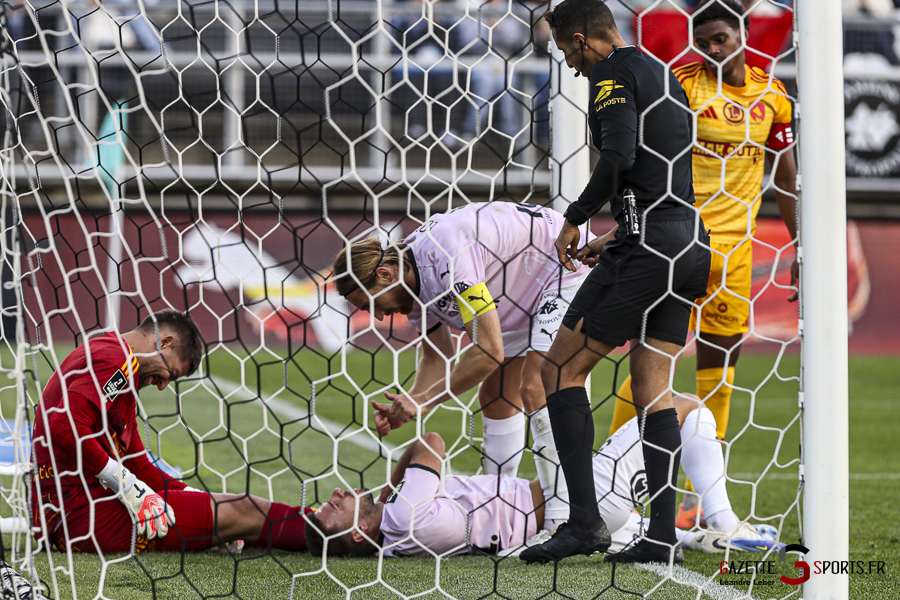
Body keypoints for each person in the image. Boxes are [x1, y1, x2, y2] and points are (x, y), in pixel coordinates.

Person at [521, 0, 711, 565]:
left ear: (582, 40)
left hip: (648, 248)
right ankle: (658, 536)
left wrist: (576, 216)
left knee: (558, 368)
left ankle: (583, 522)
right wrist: (617, 233)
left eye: (564, 50)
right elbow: (661, 167)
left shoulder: (610, 74)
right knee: (652, 386)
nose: (569, 64)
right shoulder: (661, 71)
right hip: (687, 241)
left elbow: (620, 154)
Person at [607, 0, 798, 530]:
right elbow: (645, 159)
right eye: (705, 41)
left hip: (738, 254)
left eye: (722, 39)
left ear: (742, 35)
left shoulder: (773, 96)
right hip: (682, 244)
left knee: (721, 365)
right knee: (653, 360)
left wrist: (799, 247)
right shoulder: (681, 87)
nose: (714, 50)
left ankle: (700, 495)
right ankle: (613, 467)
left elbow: (786, 177)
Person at [331, 201, 609, 547]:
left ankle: (560, 521)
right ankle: (501, 508)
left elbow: (489, 352)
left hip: (564, 266)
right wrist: (411, 402)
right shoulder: (412, 286)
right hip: (523, 293)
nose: (378, 317)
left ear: (385, 275)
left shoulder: (447, 254)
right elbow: (438, 356)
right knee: (495, 398)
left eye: (371, 304)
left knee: (538, 384)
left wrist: (425, 401)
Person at [304, 396, 780, 558]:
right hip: (579, 502)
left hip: (565, 518)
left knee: (654, 535)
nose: (341, 492)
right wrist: (389, 490)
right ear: (360, 533)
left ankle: (700, 538)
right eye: (334, 508)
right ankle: (723, 518)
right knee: (682, 410)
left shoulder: (401, 538)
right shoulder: (401, 515)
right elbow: (431, 440)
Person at [31, 309, 312, 554]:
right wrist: (126, 485)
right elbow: (64, 426)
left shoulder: (117, 363)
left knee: (230, 514)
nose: (163, 385)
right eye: (172, 373)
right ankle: (332, 530)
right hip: (86, 518)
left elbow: (137, 464)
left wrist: (192, 495)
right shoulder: (115, 358)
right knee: (244, 510)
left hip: (70, 517)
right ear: (165, 342)